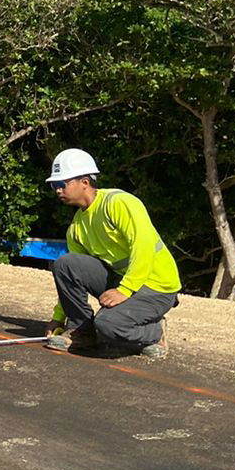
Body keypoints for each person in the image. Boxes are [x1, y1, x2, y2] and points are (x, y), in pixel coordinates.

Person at [42, 149, 180, 358]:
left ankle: (154, 331)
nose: (58, 191)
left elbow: (143, 248)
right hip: (124, 282)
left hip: (157, 285)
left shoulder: (118, 203)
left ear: (85, 182)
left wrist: (125, 290)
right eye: (54, 186)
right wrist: (58, 318)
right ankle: (82, 332)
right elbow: (70, 278)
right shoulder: (76, 229)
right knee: (66, 263)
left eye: (62, 184)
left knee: (108, 325)